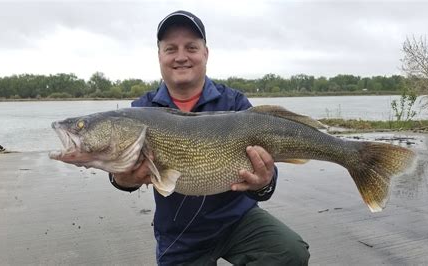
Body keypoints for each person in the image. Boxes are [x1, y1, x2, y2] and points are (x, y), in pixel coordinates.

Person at [109, 10, 310, 265]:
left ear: (206, 53)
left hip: (238, 221)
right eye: (171, 49)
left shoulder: (235, 103)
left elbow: (265, 184)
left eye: (191, 47)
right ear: (159, 56)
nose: (181, 57)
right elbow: (120, 170)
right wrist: (122, 179)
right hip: (179, 235)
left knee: (290, 252)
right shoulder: (141, 110)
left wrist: (264, 182)